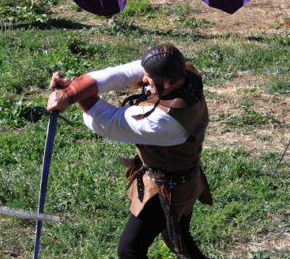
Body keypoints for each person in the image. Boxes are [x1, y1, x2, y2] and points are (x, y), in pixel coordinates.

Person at [47, 44, 212, 259]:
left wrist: (76, 96)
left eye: (150, 79)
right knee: (176, 238)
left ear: (166, 82)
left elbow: (107, 122)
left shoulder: (164, 121)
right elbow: (126, 73)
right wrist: (72, 90)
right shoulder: (185, 73)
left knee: (129, 250)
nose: (145, 81)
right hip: (183, 178)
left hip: (168, 189)